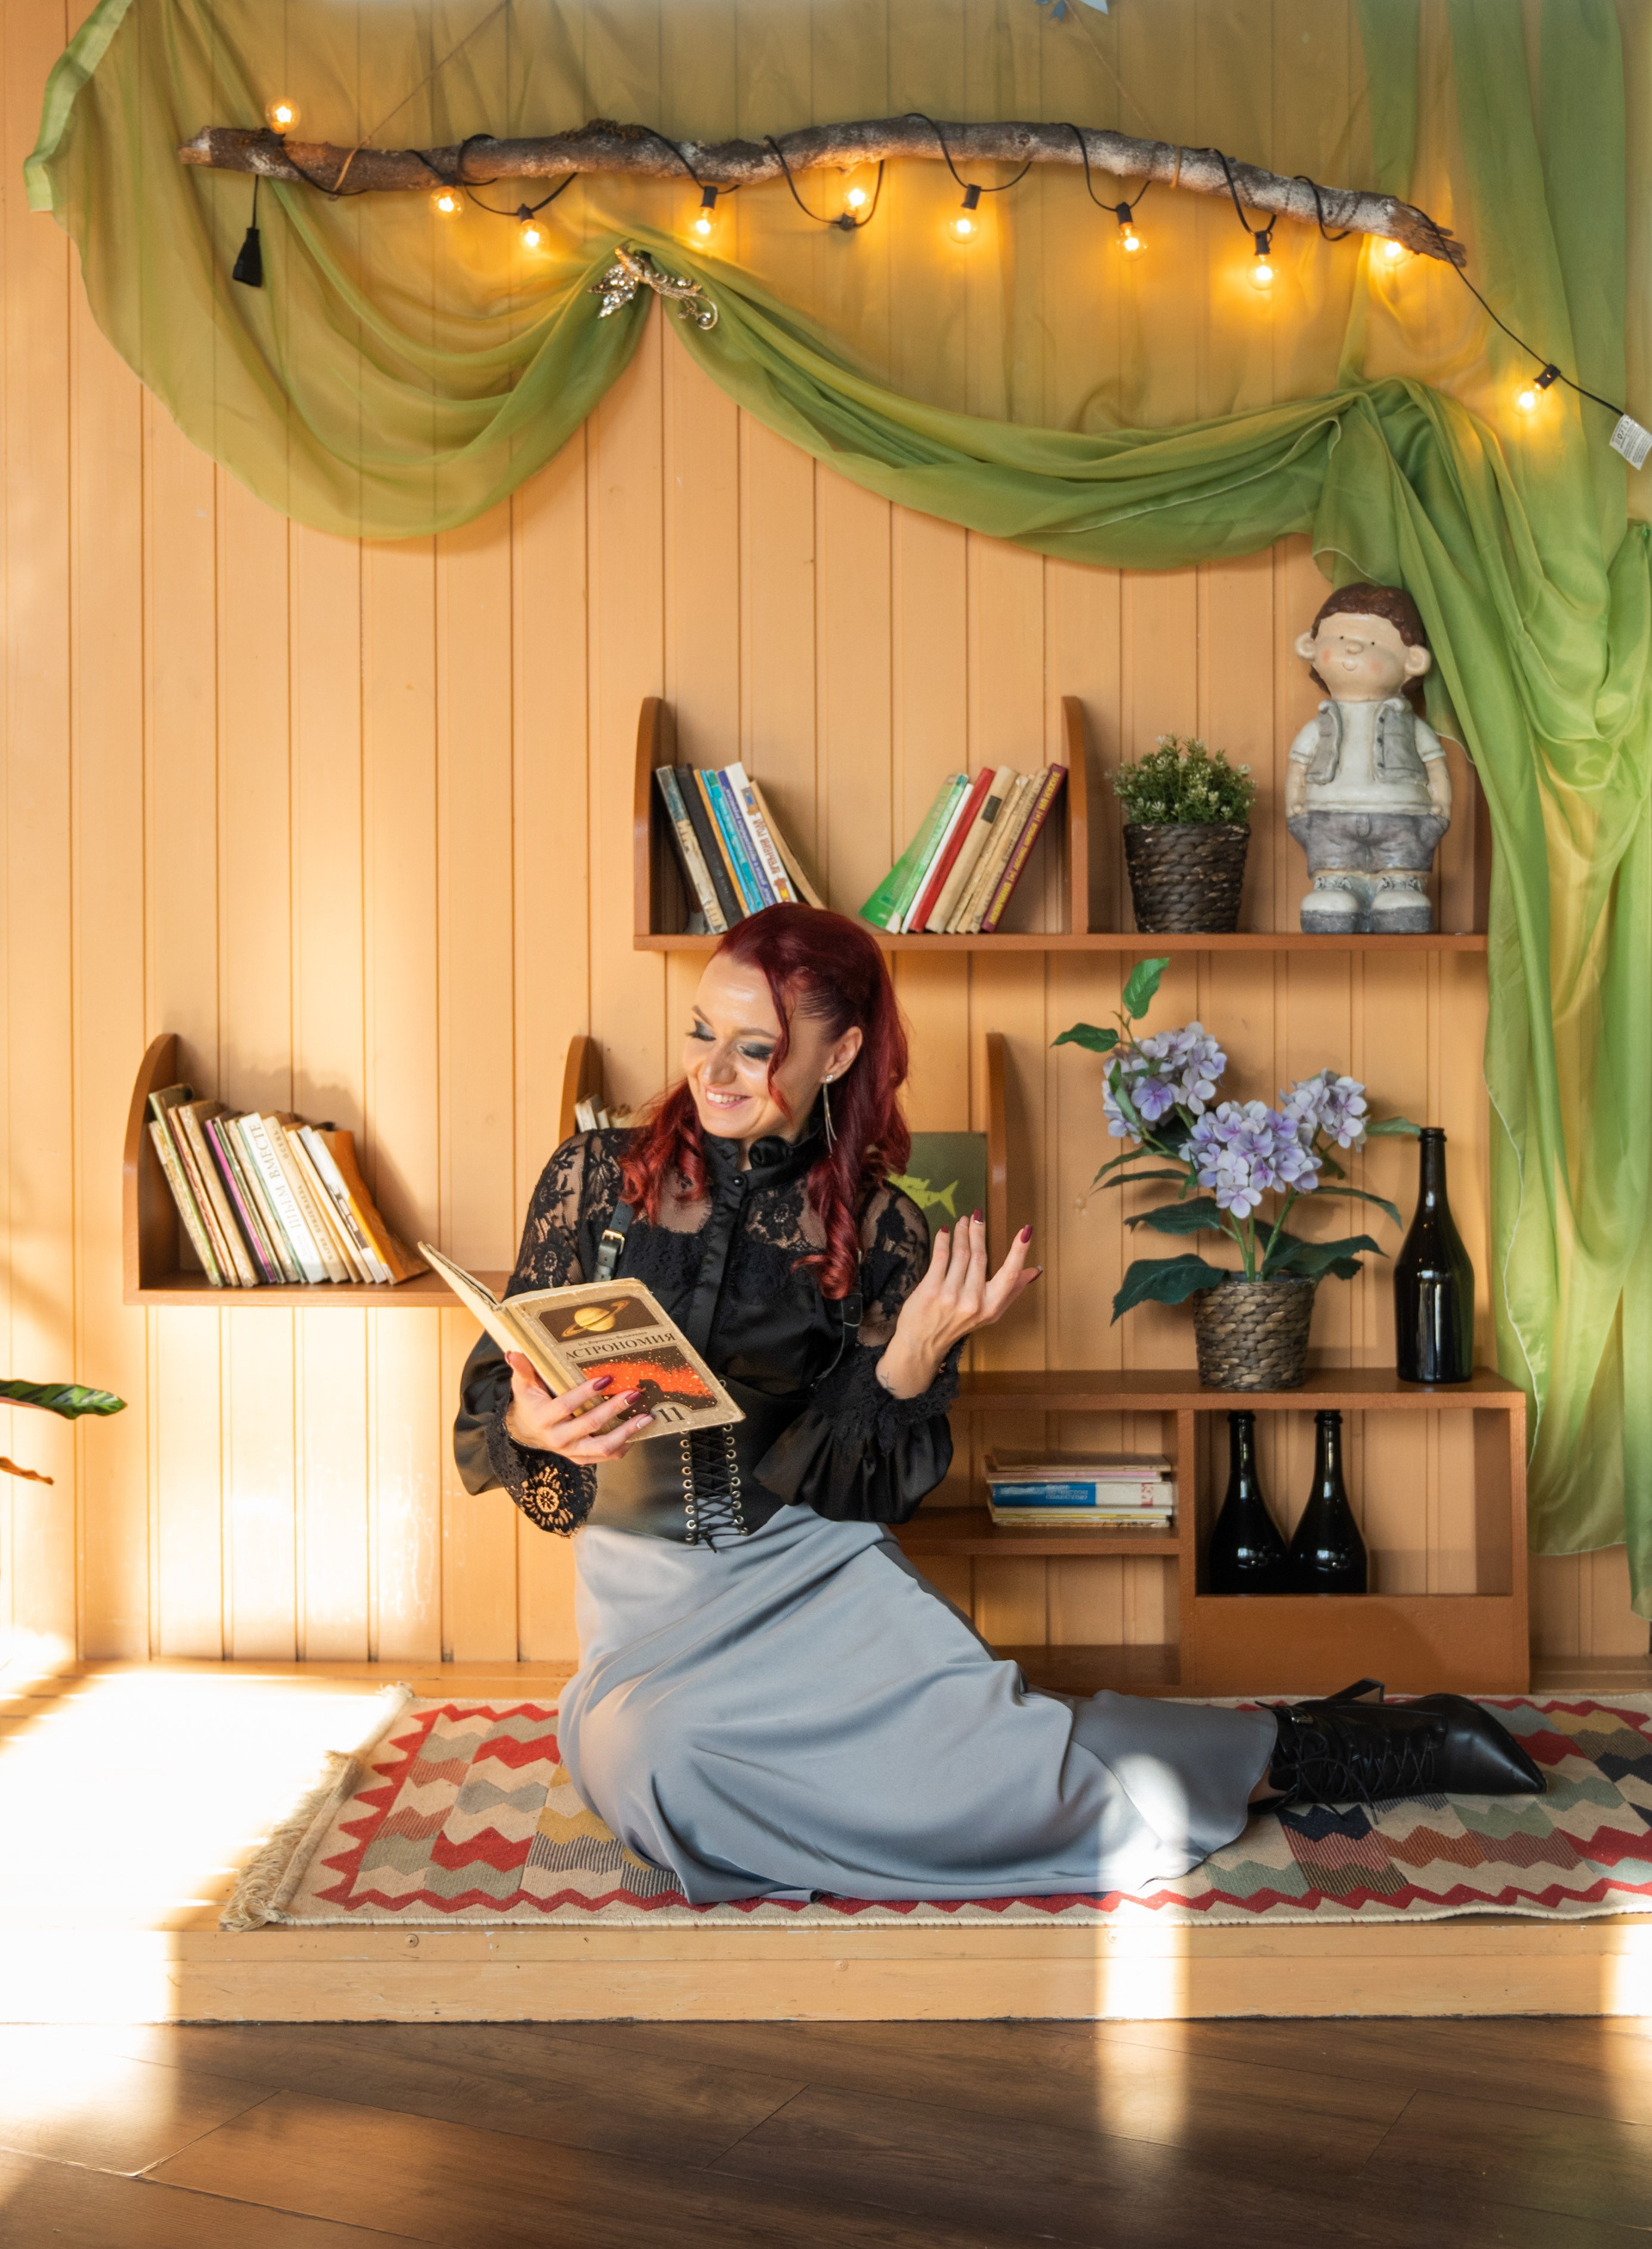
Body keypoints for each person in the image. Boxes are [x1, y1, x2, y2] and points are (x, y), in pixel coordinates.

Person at [455, 904, 1540, 1906]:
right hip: (644, 1611)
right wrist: (525, 1424)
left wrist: (910, 1357)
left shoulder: (881, 1229)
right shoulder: (593, 1181)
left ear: (840, 1054)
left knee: (1011, 1776)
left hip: (807, 1575)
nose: (714, 1070)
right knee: (661, 1764)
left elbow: (849, 1484)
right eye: (703, 1033)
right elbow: (503, 1377)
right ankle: (1218, 1744)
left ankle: (1302, 1749)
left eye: (757, 1047)